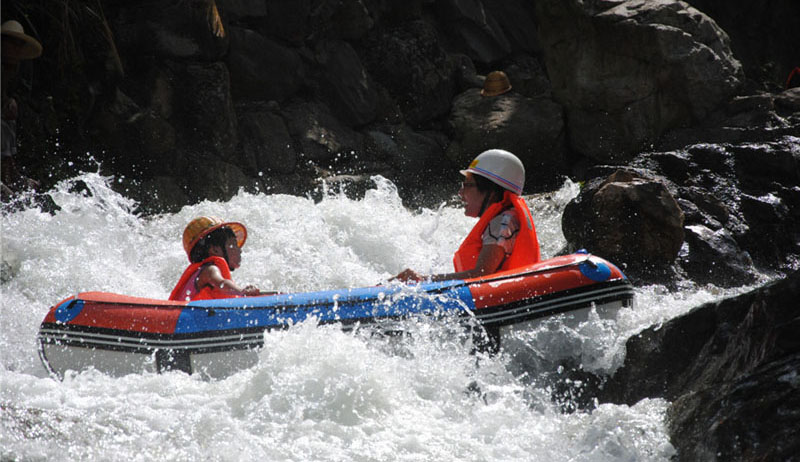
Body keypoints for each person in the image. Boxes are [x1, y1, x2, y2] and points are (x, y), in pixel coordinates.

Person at [394, 149, 540, 283]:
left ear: (492, 192)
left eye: (467, 185)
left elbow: (481, 275)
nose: (460, 193)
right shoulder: (506, 217)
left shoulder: (503, 222)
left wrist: (423, 279)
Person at [169, 216, 261, 301]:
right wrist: (242, 291)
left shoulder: (202, 270)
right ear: (215, 250)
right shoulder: (210, 270)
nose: (239, 250)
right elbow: (222, 283)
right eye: (233, 244)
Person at [1, 20, 42, 199]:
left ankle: (11, 177)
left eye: (19, 45)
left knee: (9, 114)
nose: (15, 48)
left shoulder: (11, 70)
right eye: (12, 42)